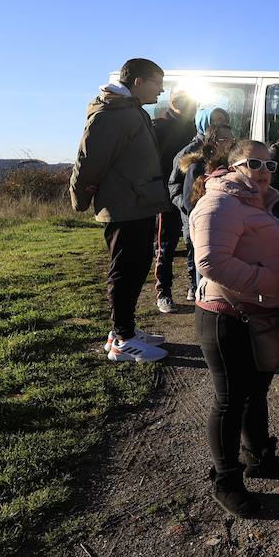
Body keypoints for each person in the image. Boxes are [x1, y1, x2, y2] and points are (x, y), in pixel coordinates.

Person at [190, 138, 279, 517]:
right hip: (226, 316)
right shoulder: (219, 202)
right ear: (233, 166)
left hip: (253, 314)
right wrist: (269, 281)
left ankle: (259, 457)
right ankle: (226, 479)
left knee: (255, 391)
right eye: (254, 164)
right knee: (230, 399)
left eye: (270, 166)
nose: (263, 172)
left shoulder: (254, 201)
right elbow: (210, 261)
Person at [70, 57, 171, 363]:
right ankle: (123, 341)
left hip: (138, 203)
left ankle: (123, 330)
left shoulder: (129, 110)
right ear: (138, 82)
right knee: (125, 271)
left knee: (137, 266)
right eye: (158, 83)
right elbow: (88, 161)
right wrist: (80, 199)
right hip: (124, 206)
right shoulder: (112, 114)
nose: (162, 91)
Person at [170, 123, 234, 300]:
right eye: (223, 139)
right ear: (211, 141)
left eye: (231, 139)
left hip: (230, 228)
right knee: (206, 276)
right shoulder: (197, 167)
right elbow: (190, 202)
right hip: (206, 229)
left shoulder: (233, 164)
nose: (228, 143)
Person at [151, 88, 199, 314]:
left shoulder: (193, 127)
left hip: (190, 194)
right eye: (190, 103)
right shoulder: (158, 126)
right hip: (165, 195)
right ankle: (164, 293)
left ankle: (193, 286)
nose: (194, 108)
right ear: (174, 102)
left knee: (192, 242)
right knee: (165, 245)